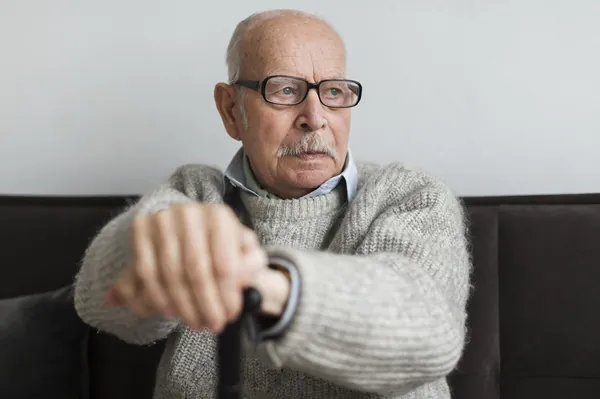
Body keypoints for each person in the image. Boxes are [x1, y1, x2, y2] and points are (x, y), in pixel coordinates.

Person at [74, 8, 471, 399]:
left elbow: (427, 332)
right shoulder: (195, 194)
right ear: (232, 110)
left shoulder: (408, 197)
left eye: (333, 91)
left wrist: (264, 283)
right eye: (284, 90)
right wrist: (147, 246)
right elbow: (100, 303)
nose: (314, 117)